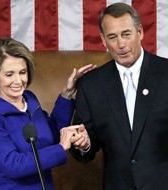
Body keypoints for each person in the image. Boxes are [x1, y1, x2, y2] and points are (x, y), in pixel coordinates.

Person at [67, 2, 168, 190]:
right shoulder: (91, 85)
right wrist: (83, 144)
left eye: (126, 34)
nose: (121, 44)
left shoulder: (165, 73)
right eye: (112, 37)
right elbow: (84, 145)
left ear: (140, 33)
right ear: (103, 41)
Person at [0, 37, 96, 190]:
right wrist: (61, 148)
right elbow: (13, 164)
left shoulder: (29, 98)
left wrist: (67, 95)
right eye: (9, 74)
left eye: (22, 72)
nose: (18, 81)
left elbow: (50, 135)